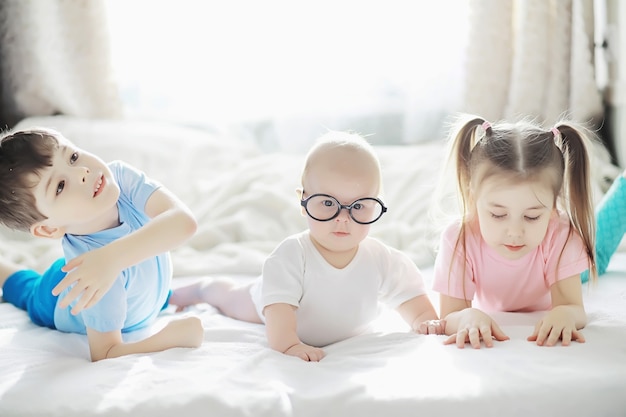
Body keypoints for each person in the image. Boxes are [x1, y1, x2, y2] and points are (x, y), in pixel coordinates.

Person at [169, 131, 442, 361]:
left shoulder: (381, 258)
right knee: (229, 297)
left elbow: (410, 295)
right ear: (303, 200)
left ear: (376, 204)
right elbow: (279, 317)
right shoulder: (292, 255)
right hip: (266, 302)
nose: (342, 218)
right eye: (327, 203)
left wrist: (424, 320)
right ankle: (202, 288)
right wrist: (290, 345)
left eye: (358, 206)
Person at [0, 127, 203, 361]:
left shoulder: (120, 178)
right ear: (49, 228)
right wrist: (169, 339)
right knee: (25, 288)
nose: (82, 172)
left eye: (73, 157)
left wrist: (110, 259)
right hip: (55, 293)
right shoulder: (90, 276)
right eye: (60, 186)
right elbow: (105, 352)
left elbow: (183, 222)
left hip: (135, 292)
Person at [431, 115, 598, 349]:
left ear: (553, 207)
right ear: (473, 197)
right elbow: (449, 315)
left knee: (601, 253)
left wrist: (565, 314)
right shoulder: (458, 239)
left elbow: (573, 307)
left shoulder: (561, 234)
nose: (515, 232)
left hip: (564, 263)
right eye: (498, 215)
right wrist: (466, 317)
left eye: (531, 216)